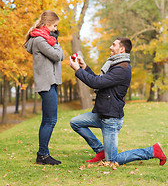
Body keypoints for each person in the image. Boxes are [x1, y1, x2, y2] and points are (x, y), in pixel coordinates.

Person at [69, 37, 166, 166]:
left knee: (112, 161)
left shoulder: (122, 69)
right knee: (75, 123)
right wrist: (84, 67)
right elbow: (99, 82)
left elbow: (96, 82)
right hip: (102, 114)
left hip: (111, 120)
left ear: (121, 49)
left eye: (113, 45)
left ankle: (152, 151)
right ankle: (100, 151)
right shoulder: (115, 65)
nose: (110, 47)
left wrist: (78, 70)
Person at [24, 10, 64, 165]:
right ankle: (42, 155)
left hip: (49, 81)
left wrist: (54, 42)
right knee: (50, 120)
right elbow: (58, 56)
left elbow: (60, 56)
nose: (55, 29)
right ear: (47, 24)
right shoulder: (41, 40)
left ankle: (43, 154)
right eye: (54, 26)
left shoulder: (45, 39)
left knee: (48, 119)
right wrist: (57, 43)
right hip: (46, 83)